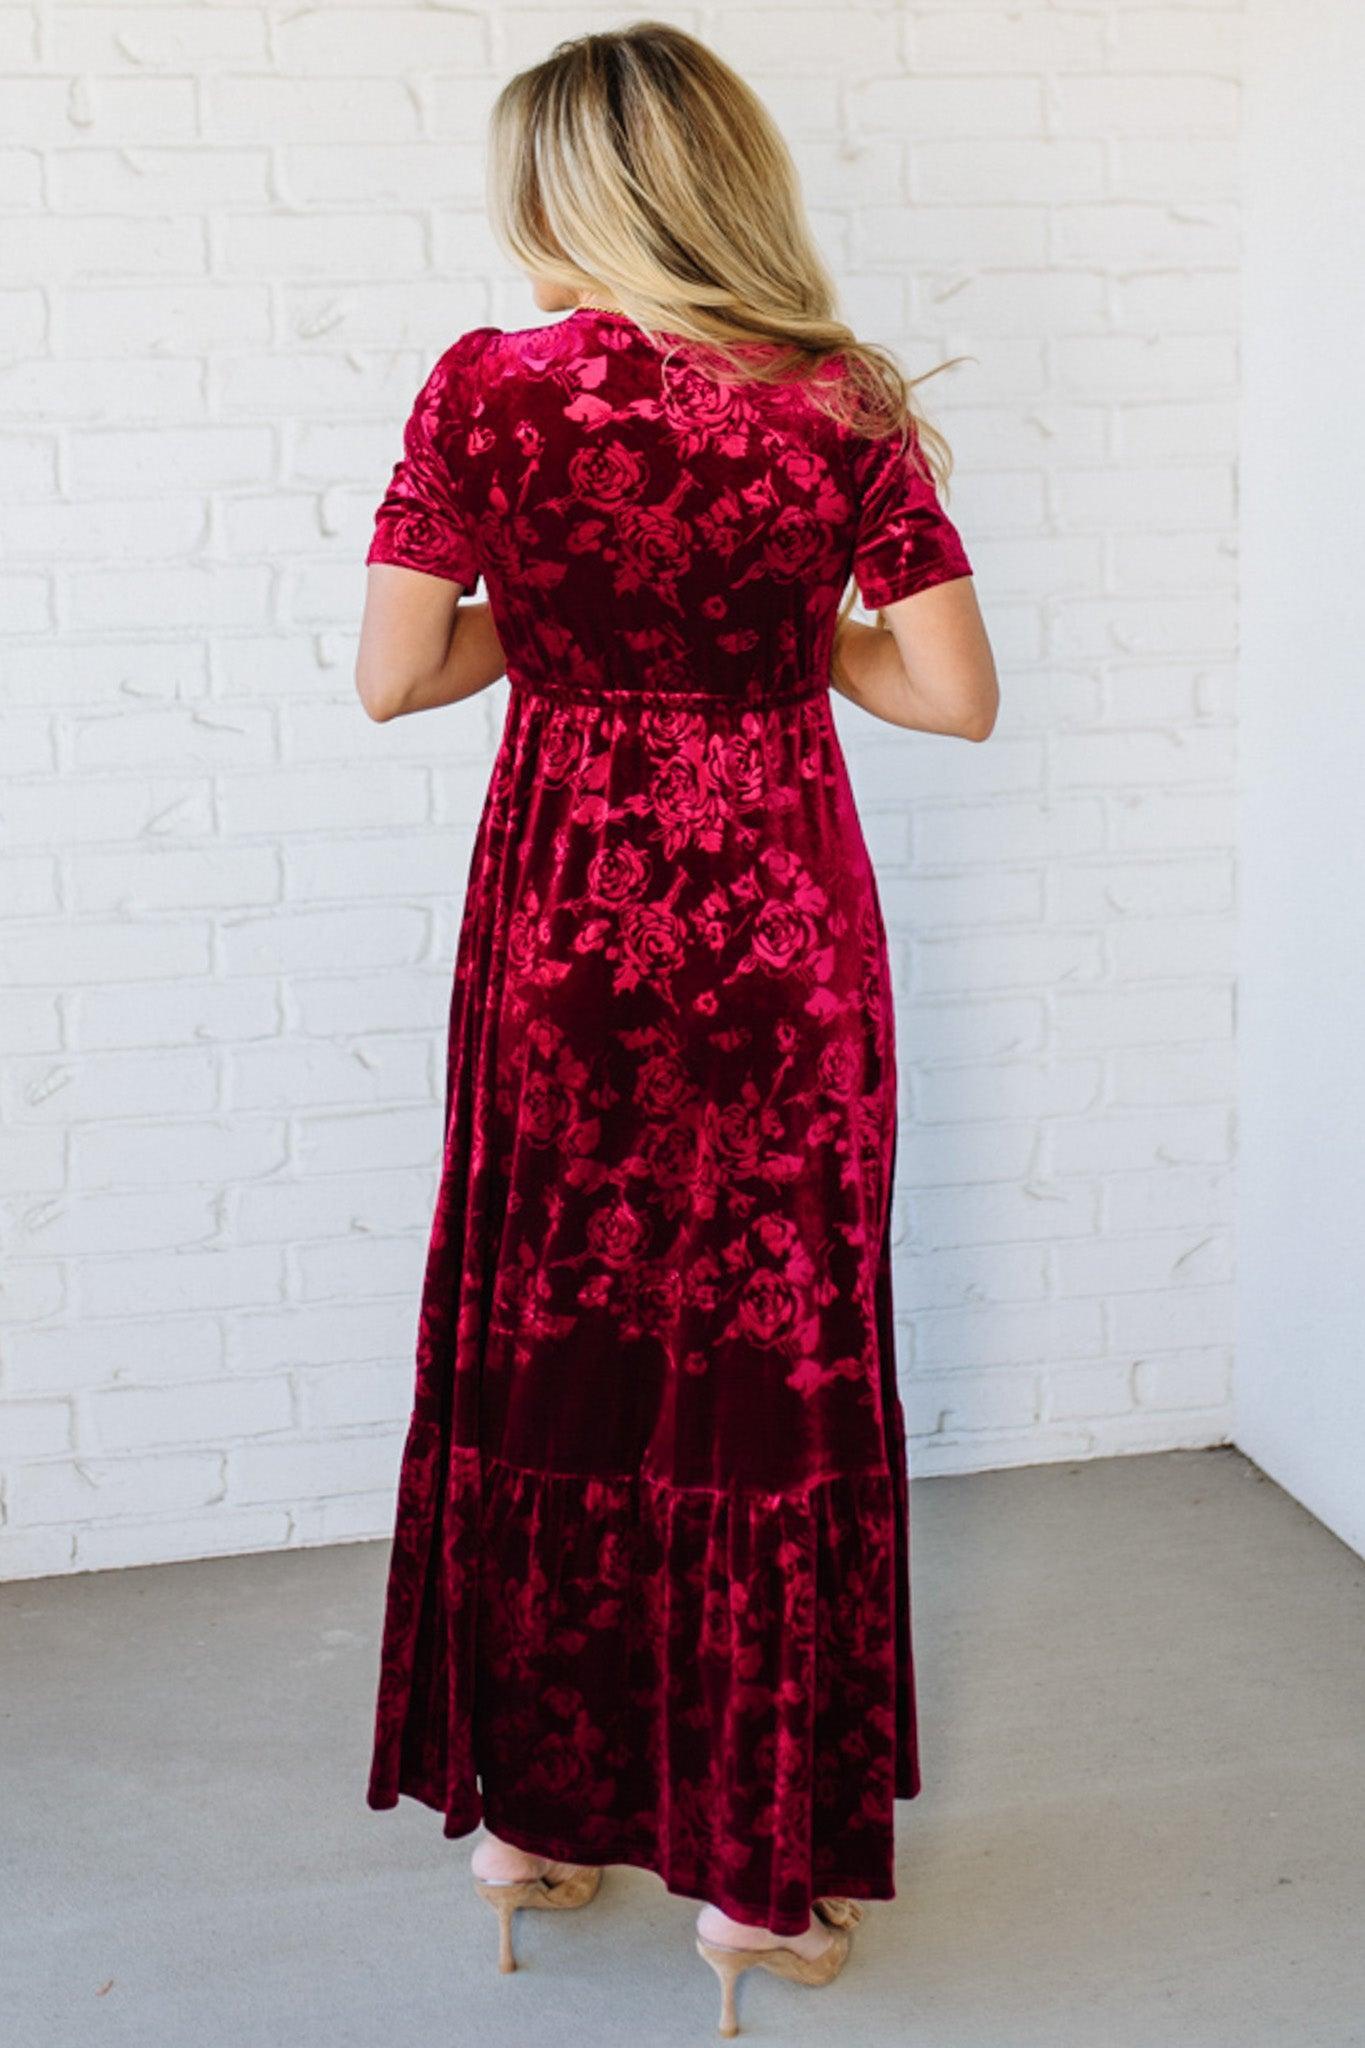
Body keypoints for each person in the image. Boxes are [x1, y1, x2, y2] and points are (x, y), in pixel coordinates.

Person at [354, 20, 998, 2037]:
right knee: (760, 1361)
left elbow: (397, 674)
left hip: (558, 919)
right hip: (777, 925)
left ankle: (523, 1829)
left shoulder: (484, 389)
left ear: (553, 189)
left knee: (552, 1330)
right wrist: (769, 620)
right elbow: (948, 694)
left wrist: (562, 627)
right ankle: (750, 1880)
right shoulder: (839, 405)